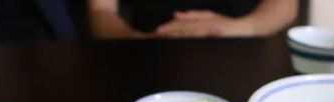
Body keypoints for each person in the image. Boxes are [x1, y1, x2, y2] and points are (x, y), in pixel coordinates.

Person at [87, 0, 299, 39]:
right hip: (145, 53)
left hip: (245, 44)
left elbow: (286, 6)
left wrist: (241, 28)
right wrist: (138, 39)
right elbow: (101, 10)